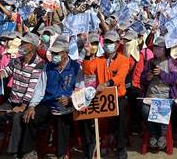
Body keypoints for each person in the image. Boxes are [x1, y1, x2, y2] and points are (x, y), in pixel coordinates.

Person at [0, 32, 47, 159]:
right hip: (11, 101)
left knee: (17, 118)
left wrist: (22, 106)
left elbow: (32, 89)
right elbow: (7, 70)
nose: (21, 45)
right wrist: (2, 72)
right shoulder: (16, 60)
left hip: (26, 104)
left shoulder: (39, 64)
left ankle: (14, 153)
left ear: (32, 47)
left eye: (24, 43)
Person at [81, 30, 129, 159]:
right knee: (85, 112)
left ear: (118, 44)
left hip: (117, 95)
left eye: (111, 42)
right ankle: (91, 145)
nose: (108, 45)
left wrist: (106, 84)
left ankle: (121, 147)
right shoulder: (99, 59)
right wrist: (87, 54)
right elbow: (88, 70)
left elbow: (120, 77)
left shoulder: (124, 60)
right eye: (106, 42)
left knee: (122, 114)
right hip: (102, 96)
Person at [30, 37, 80, 159]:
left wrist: (70, 99)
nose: (54, 55)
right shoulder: (47, 67)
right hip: (48, 103)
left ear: (65, 54)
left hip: (67, 103)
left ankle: (61, 154)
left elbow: (80, 88)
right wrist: (32, 106)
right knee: (29, 117)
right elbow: (40, 89)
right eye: (53, 53)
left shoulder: (76, 67)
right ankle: (30, 151)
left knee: (62, 118)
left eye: (57, 53)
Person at [141, 36, 177, 150]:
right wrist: (148, 77)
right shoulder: (149, 62)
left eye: (159, 48)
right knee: (145, 109)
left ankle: (162, 135)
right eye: (155, 48)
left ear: (165, 49)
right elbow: (142, 80)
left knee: (163, 109)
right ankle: (153, 134)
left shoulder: (171, 62)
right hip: (150, 94)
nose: (156, 50)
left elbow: (174, 79)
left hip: (165, 95)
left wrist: (161, 73)